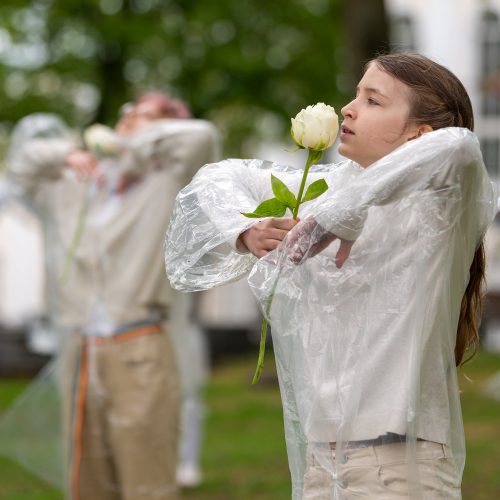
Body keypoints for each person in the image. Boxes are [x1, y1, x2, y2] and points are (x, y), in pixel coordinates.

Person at [164, 53, 497, 499]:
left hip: (399, 468)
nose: (348, 108)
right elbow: (218, 176)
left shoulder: (440, 204)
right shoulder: (326, 186)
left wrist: (334, 218)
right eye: (357, 94)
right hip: (321, 466)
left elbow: (458, 145)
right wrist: (245, 232)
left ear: (420, 134)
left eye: (374, 100)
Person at [1, 94, 218, 500]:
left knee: (147, 477)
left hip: (140, 343)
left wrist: (131, 147)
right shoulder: (73, 184)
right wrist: (69, 152)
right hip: (80, 348)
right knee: (86, 479)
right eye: (128, 115)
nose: (131, 122)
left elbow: (200, 136)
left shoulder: (166, 181)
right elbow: (23, 163)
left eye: (148, 118)